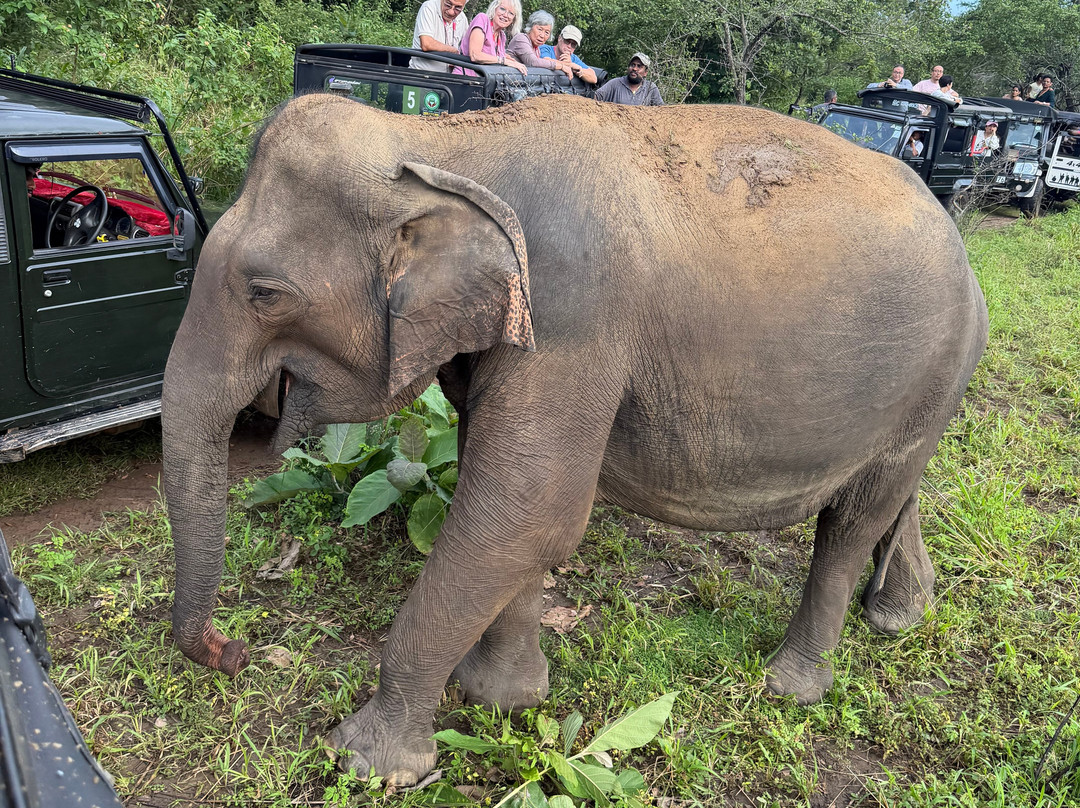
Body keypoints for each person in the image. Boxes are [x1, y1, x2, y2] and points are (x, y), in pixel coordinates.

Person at [454, 0, 527, 77]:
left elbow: (494, 56)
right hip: (465, 79)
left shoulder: (502, 36)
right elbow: (475, 55)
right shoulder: (482, 19)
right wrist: (504, 61)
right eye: (502, 9)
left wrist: (511, 61)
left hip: (485, 81)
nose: (505, 15)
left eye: (511, 13)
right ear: (494, 9)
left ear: (514, 20)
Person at [409, 0, 470, 72]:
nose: (451, 12)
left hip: (448, 77)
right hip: (421, 74)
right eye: (448, 4)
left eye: (458, 8)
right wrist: (453, 50)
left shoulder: (462, 18)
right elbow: (426, 44)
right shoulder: (429, 7)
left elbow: (468, 48)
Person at [507, 10, 572, 77]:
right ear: (531, 27)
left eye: (547, 32)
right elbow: (533, 62)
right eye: (540, 29)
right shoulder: (521, 38)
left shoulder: (536, 48)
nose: (542, 36)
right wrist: (561, 66)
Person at [594, 52, 663, 105]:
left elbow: (661, 111)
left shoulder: (650, 88)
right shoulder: (615, 83)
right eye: (632, 65)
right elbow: (595, 97)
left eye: (639, 66)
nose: (634, 69)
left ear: (645, 72)